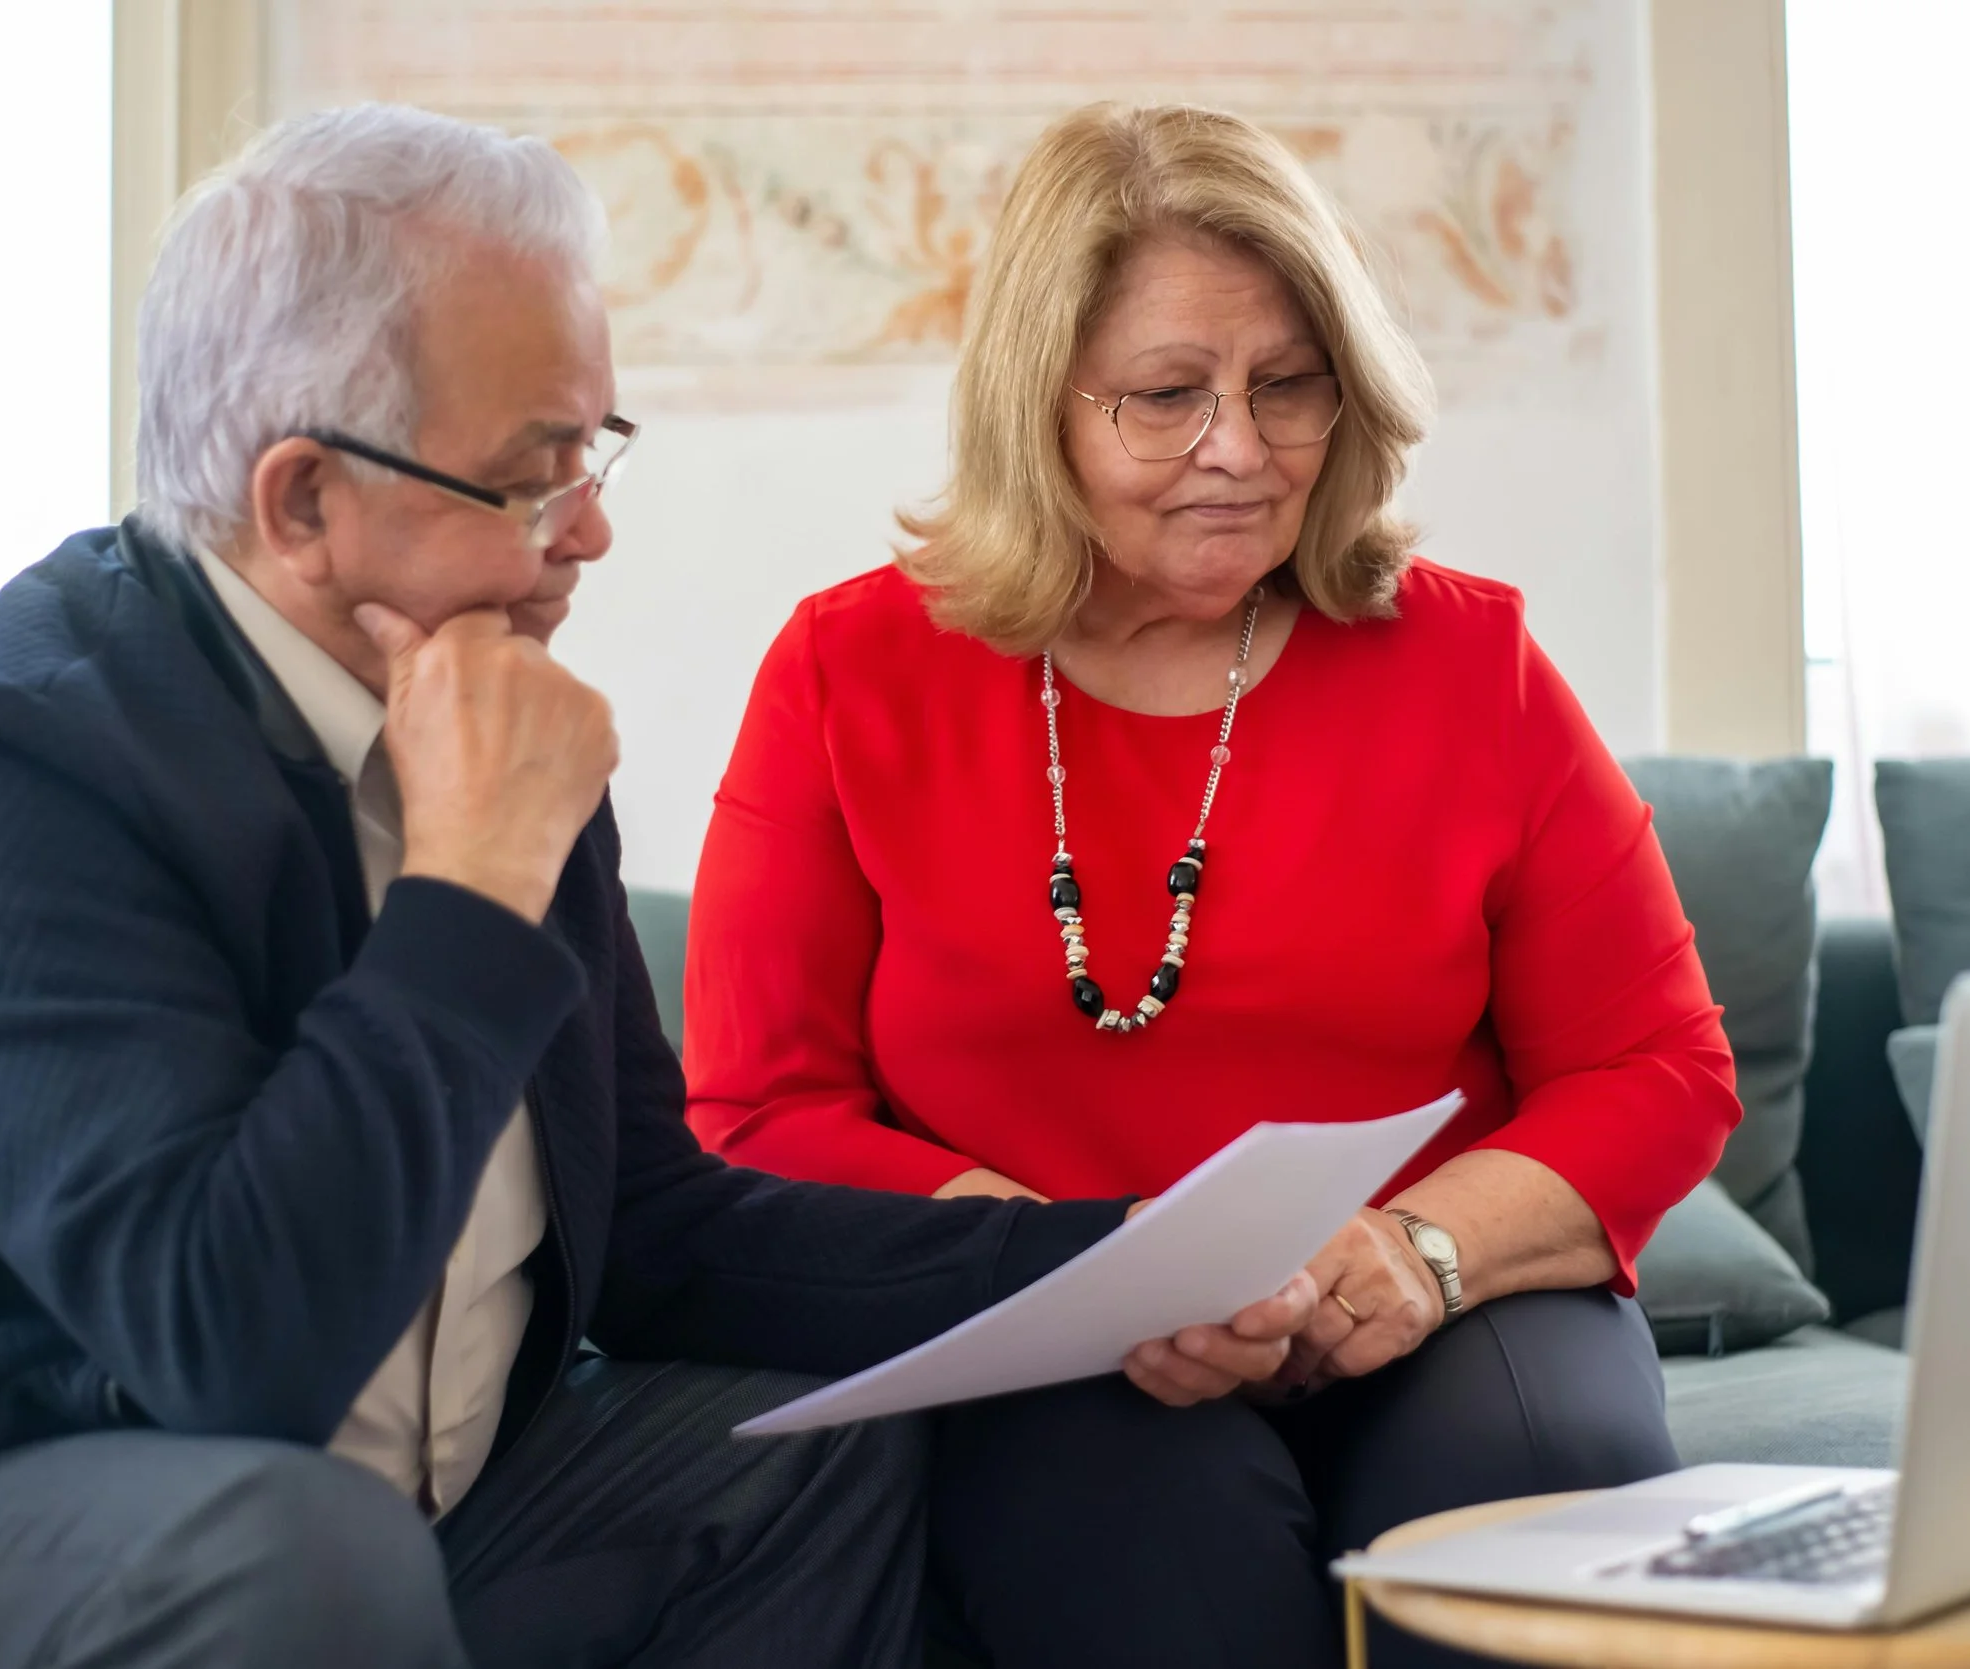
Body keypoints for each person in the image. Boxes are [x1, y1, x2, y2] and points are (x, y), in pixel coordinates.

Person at [0, 103, 1318, 1669]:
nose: (586, 530)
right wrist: (469, 884)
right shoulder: (7, 768)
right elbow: (236, 1349)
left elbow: (660, 1233)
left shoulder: (483, 703)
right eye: (531, 477)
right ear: (301, 500)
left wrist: (1120, 1266)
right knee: (293, 1551)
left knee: (807, 1450)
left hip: (414, 1515)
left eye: (594, 453)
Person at [685, 102, 1745, 1669]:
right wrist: (1069, 1271)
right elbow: (757, 1110)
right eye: (1168, 396)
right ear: (1039, 404)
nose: (1239, 450)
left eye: (1289, 386)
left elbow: (1659, 1066)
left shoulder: (1472, 663)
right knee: (1150, 1547)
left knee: (1530, 1496)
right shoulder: (852, 670)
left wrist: (1417, 1255)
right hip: (1045, 1330)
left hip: (1437, 1300)